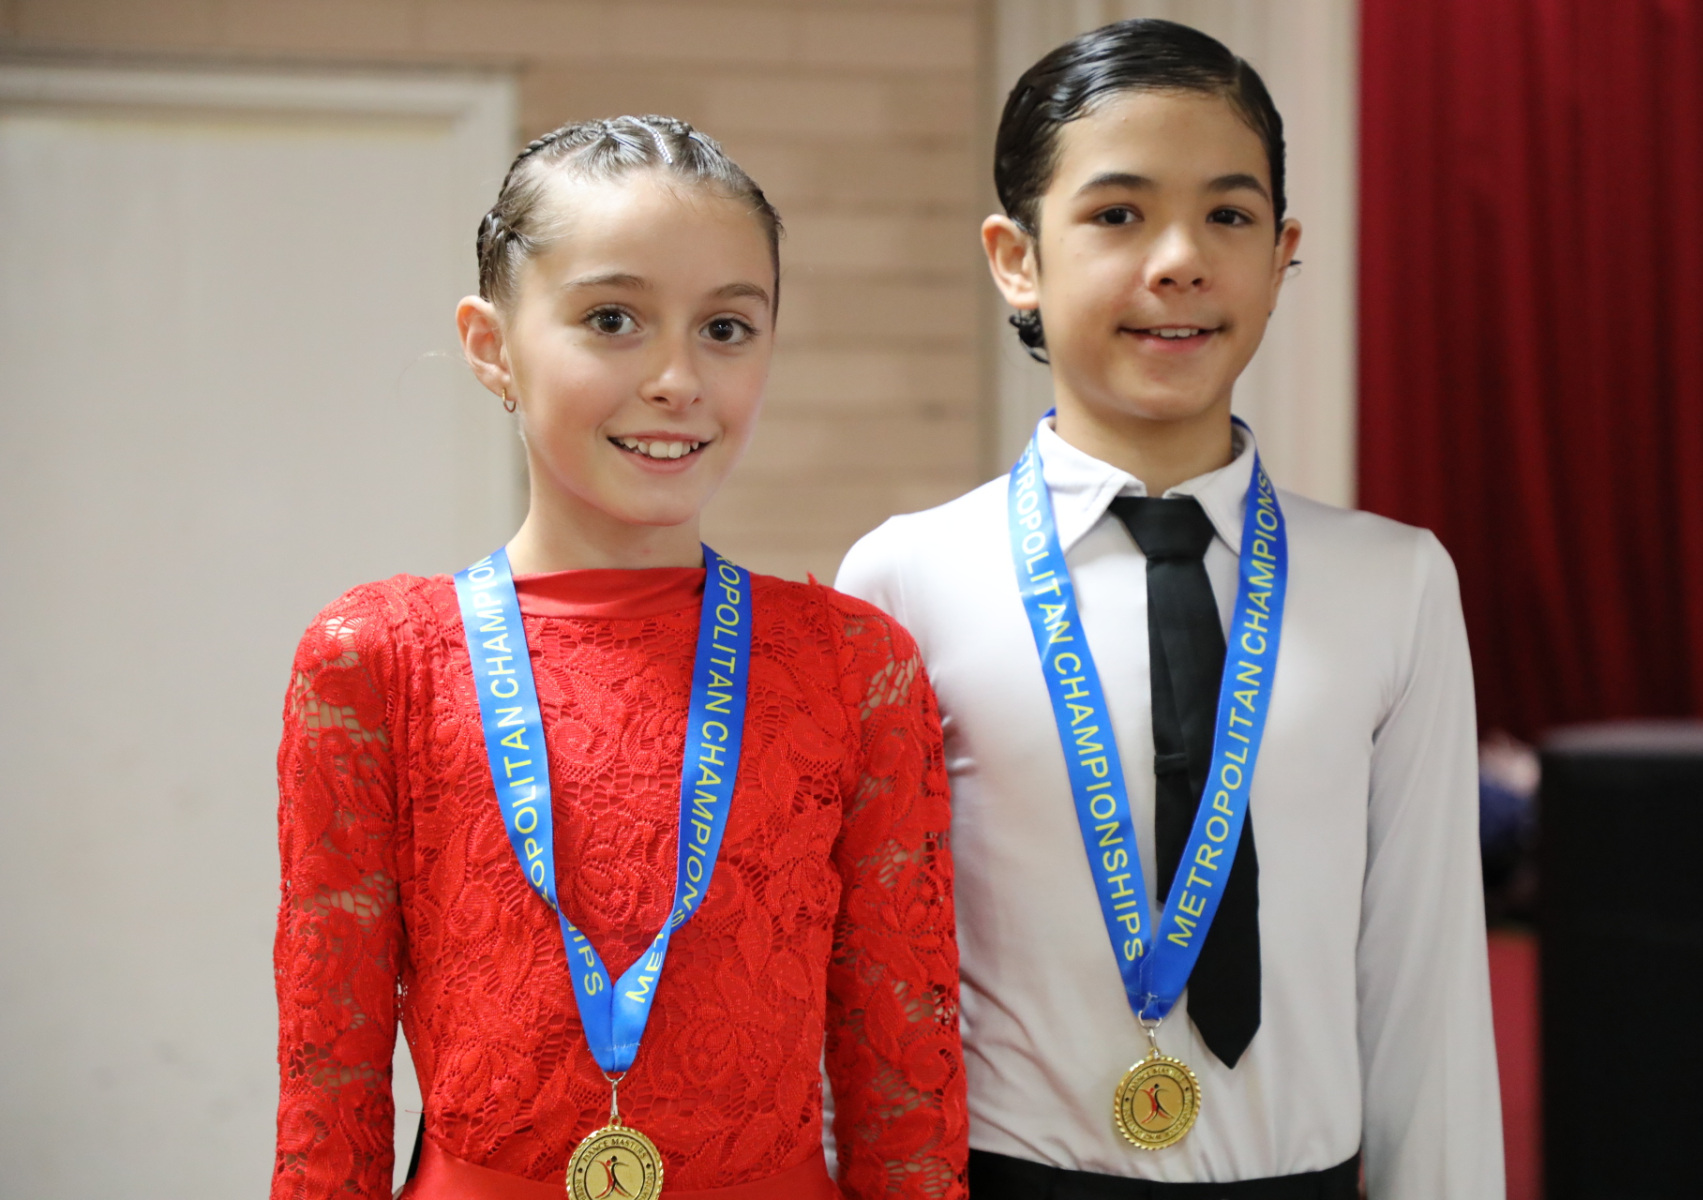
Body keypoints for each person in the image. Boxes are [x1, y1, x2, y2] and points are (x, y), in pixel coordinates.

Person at [836, 21, 1502, 1199]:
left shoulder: (1394, 582)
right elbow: (857, 992)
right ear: (1016, 258)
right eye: (1118, 214)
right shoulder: (905, 581)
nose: (1182, 259)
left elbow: (1427, 983)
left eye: (1229, 215)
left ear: (1283, 254)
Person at [272, 116, 968, 1200]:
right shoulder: (380, 660)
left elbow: (905, 1086)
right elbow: (329, 1085)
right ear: (491, 345)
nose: (678, 378)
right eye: (612, 320)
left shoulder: (850, 665)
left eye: (726, 328)